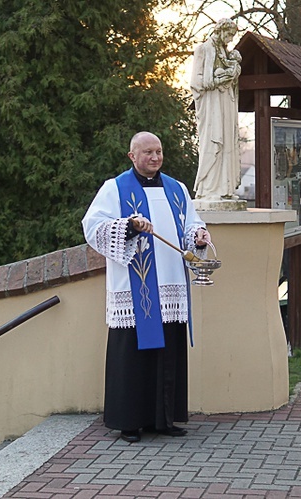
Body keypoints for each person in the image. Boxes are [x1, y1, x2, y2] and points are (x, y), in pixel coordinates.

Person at [82, 131, 211, 443]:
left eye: (159, 151)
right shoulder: (115, 189)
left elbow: (190, 222)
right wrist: (129, 226)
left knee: (168, 353)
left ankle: (163, 419)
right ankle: (129, 421)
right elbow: (93, 226)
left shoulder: (177, 189)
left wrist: (198, 236)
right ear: (132, 156)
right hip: (137, 287)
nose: (155, 158)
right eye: (148, 152)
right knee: (133, 356)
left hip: (172, 285)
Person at [190, 18, 242, 201]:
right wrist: (218, 79)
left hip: (226, 103)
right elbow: (196, 82)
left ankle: (225, 189)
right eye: (228, 35)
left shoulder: (227, 55)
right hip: (211, 104)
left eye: (232, 36)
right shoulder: (203, 50)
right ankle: (210, 189)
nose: (230, 39)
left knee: (227, 143)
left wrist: (232, 75)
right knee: (213, 143)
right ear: (220, 31)